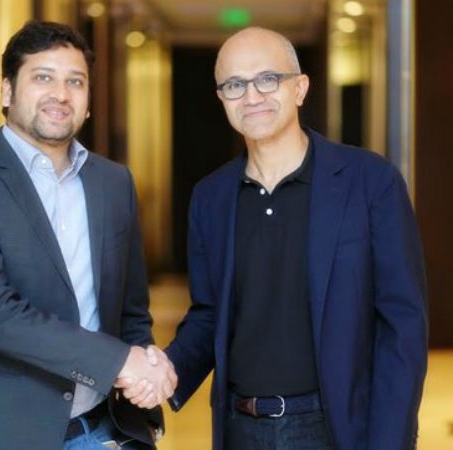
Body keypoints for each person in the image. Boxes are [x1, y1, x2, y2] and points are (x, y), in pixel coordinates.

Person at [161, 27, 428, 450]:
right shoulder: (210, 197)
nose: (252, 96)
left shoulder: (370, 182)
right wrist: (164, 369)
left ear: (300, 88)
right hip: (241, 429)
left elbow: (403, 326)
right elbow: (210, 315)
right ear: (222, 98)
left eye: (268, 79)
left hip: (336, 429)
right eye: (235, 85)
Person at [0, 20, 176, 450]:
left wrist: (144, 388)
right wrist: (121, 363)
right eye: (43, 78)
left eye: (75, 82)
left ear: (88, 101)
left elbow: (131, 308)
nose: (61, 94)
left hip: (102, 432)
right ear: (7, 92)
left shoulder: (114, 183)